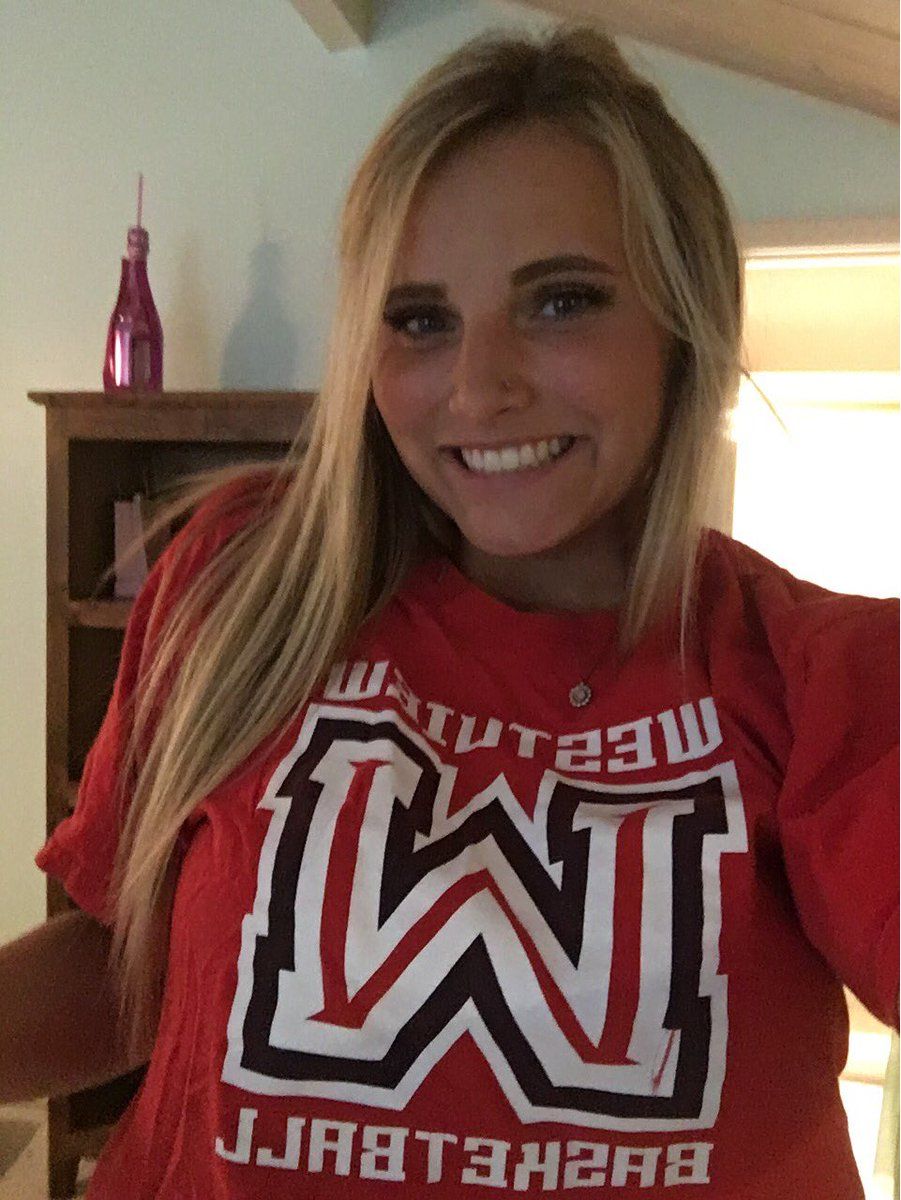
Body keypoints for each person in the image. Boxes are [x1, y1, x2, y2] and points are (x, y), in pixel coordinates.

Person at [1, 21, 897, 1200]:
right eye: (419, 319)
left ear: (683, 325)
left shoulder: (822, 676)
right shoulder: (247, 583)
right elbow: (130, 962)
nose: (479, 388)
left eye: (562, 302)